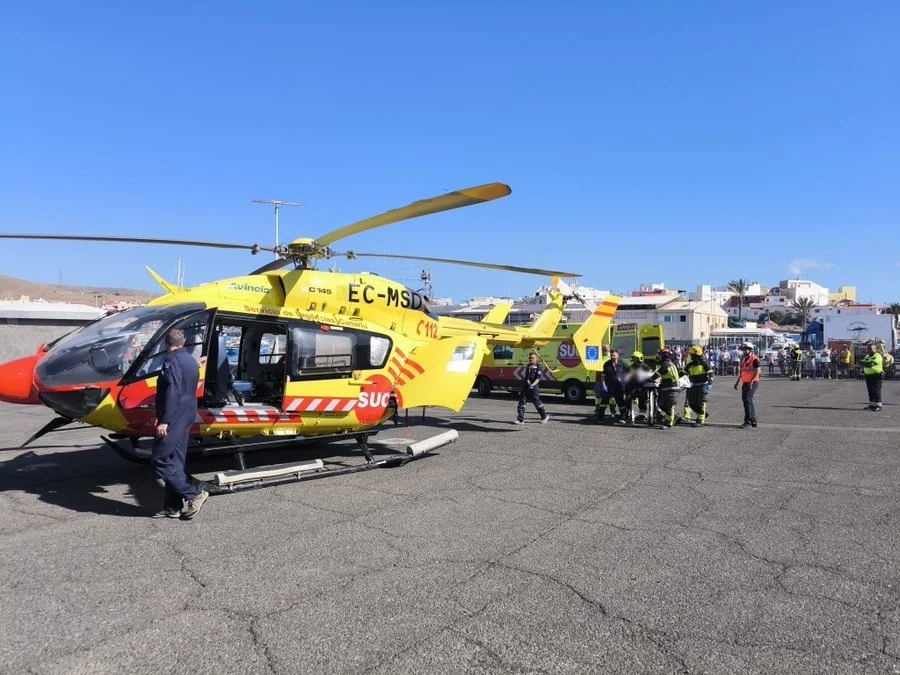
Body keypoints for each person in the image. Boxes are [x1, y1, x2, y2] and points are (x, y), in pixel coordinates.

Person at [151, 328, 208, 520]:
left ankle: (194, 493)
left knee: (160, 459)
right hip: (187, 412)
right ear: (183, 342)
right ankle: (172, 506)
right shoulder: (191, 361)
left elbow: (172, 391)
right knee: (175, 460)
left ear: (166, 344)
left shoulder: (172, 360)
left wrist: (165, 420)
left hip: (174, 414)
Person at [682, 345, 714, 426]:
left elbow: (710, 372)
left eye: (692, 355)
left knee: (701, 402)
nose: (691, 356)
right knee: (691, 402)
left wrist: (710, 379)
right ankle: (702, 414)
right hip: (692, 385)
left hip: (702, 385)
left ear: (696, 355)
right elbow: (682, 373)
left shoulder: (704, 363)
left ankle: (700, 420)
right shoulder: (690, 364)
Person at [515, 351, 549, 424]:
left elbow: (538, 378)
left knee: (537, 402)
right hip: (526, 386)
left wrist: (533, 385)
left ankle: (544, 416)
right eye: (530, 358)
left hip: (534, 387)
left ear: (536, 358)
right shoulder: (528, 366)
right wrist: (528, 383)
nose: (531, 359)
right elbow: (527, 377)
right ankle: (520, 419)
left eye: (532, 358)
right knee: (522, 402)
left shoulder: (539, 366)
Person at [595, 349, 627, 424]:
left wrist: (625, 380)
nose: (612, 357)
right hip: (609, 386)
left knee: (621, 403)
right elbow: (603, 376)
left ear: (618, 356)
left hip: (619, 387)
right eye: (611, 355)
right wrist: (603, 385)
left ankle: (623, 418)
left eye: (614, 355)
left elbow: (629, 372)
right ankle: (600, 419)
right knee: (604, 402)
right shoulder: (606, 364)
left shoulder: (622, 364)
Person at [734, 341, 760, 428]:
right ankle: (753, 421)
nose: (744, 351)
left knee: (748, 400)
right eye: (743, 350)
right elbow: (742, 372)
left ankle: (748, 422)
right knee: (747, 402)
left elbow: (758, 371)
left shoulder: (754, 358)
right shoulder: (744, 359)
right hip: (745, 383)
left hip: (752, 382)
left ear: (750, 350)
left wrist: (752, 381)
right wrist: (737, 382)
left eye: (746, 350)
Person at [655, 348, 681, 428]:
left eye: (660, 355)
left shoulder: (666, 364)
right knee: (662, 404)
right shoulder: (668, 363)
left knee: (669, 405)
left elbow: (656, 375)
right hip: (667, 387)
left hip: (672, 387)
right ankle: (675, 417)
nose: (658, 356)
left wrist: (646, 379)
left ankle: (669, 422)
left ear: (663, 356)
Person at [860, 341, 883, 411]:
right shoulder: (867, 356)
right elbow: (863, 362)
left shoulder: (877, 356)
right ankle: (872, 405)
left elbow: (871, 364)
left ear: (875, 349)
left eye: (870, 349)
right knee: (870, 391)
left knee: (876, 390)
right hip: (868, 376)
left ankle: (878, 405)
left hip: (877, 375)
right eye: (868, 349)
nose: (868, 350)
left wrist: (864, 363)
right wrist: (864, 363)